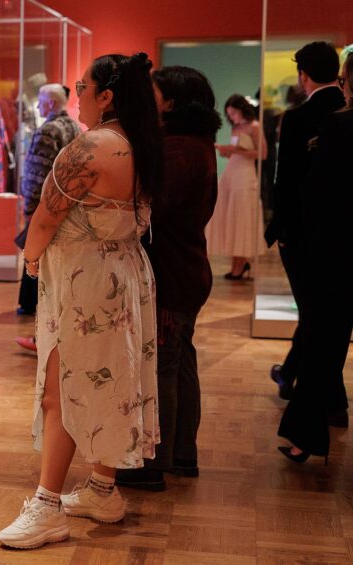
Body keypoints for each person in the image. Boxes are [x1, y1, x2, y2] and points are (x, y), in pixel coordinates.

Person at [0, 53, 163, 549]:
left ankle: (47, 504)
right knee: (112, 379)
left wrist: (29, 261)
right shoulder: (143, 144)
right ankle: (102, 488)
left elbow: (46, 218)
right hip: (126, 274)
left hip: (87, 282)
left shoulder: (91, 147)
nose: (78, 93)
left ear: (106, 95)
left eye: (82, 85)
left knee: (61, 389)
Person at [115, 66, 221, 491]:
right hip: (187, 268)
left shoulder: (177, 149)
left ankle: (153, 463)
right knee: (179, 363)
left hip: (171, 272)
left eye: (155, 92)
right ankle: (181, 455)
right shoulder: (196, 144)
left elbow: (151, 210)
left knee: (162, 366)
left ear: (171, 102)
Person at [277, 51, 353, 463]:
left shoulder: (338, 126)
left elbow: (313, 193)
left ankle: (306, 435)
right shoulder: (335, 120)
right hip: (335, 248)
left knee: (323, 339)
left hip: (336, 251)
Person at [266, 42, 345, 407]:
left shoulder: (298, 118)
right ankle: (305, 381)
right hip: (340, 230)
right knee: (326, 313)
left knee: (314, 313)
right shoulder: (345, 110)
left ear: (303, 75)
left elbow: (287, 181)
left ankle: (322, 394)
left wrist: (281, 229)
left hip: (303, 231)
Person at [15, 84, 81, 353]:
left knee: (43, 271)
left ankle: (45, 336)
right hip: (69, 207)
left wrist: (30, 206)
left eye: (41, 102)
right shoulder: (74, 127)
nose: (38, 107)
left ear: (52, 104)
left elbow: (35, 173)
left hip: (47, 207)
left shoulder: (48, 131)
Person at [205, 95, 265, 280]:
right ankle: (236, 264)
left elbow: (262, 153)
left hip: (245, 176)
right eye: (230, 114)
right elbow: (236, 154)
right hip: (232, 173)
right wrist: (226, 152)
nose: (232, 117)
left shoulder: (254, 126)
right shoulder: (236, 127)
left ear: (242, 110)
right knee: (231, 217)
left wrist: (234, 151)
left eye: (234, 113)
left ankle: (240, 264)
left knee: (242, 217)